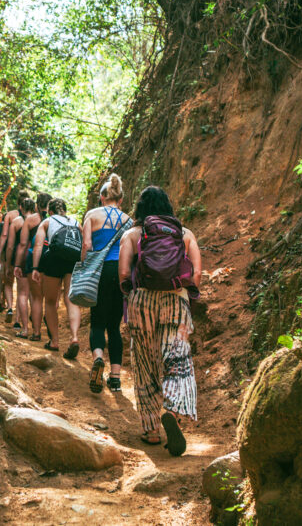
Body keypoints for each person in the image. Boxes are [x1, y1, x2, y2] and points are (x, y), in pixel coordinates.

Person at [118, 185, 201, 457]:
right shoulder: (184, 234)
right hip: (176, 301)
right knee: (176, 360)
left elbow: (122, 274)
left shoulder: (132, 234)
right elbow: (196, 274)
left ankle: (151, 430)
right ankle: (174, 410)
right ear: (168, 206)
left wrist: (131, 294)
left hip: (142, 301)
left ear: (140, 208)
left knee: (144, 363)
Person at [82, 173, 130, 391]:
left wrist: (84, 270)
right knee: (114, 326)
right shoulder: (128, 220)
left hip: (99, 271)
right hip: (121, 272)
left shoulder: (92, 215)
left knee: (98, 321)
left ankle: (98, 359)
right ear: (120, 199)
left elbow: (87, 247)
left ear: (102, 197)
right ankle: (116, 377)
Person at [31, 198, 81, 354]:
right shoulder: (75, 222)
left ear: (50, 211)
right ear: (64, 210)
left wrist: (35, 267)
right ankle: (74, 337)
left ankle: (54, 341)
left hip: (53, 260)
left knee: (51, 302)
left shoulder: (47, 221)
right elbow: (86, 243)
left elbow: (38, 245)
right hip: (73, 260)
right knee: (71, 300)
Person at [14, 193, 49, 339]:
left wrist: (17, 264)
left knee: (32, 296)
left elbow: (22, 244)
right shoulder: (54, 220)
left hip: (32, 259)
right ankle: (49, 333)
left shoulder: (30, 219)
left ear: (36, 205)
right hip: (49, 259)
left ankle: (32, 331)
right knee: (49, 299)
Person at [0, 190, 29, 324]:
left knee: (8, 283)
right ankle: (18, 319)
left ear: (18, 202)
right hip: (25, 256)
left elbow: (4, 236)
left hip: (10, 253)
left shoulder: (10, 215)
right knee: (23, 290)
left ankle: (9, 307)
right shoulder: (33, 217)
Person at [6, 197, 36, 335]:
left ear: (21, 208)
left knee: (22, 293)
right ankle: (36, 328)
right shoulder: (39, 221)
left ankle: (21, 325)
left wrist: (9, 263)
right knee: (35, 295)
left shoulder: (16, 222)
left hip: (21, 257)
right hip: (36, 256)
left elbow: (11, 245)